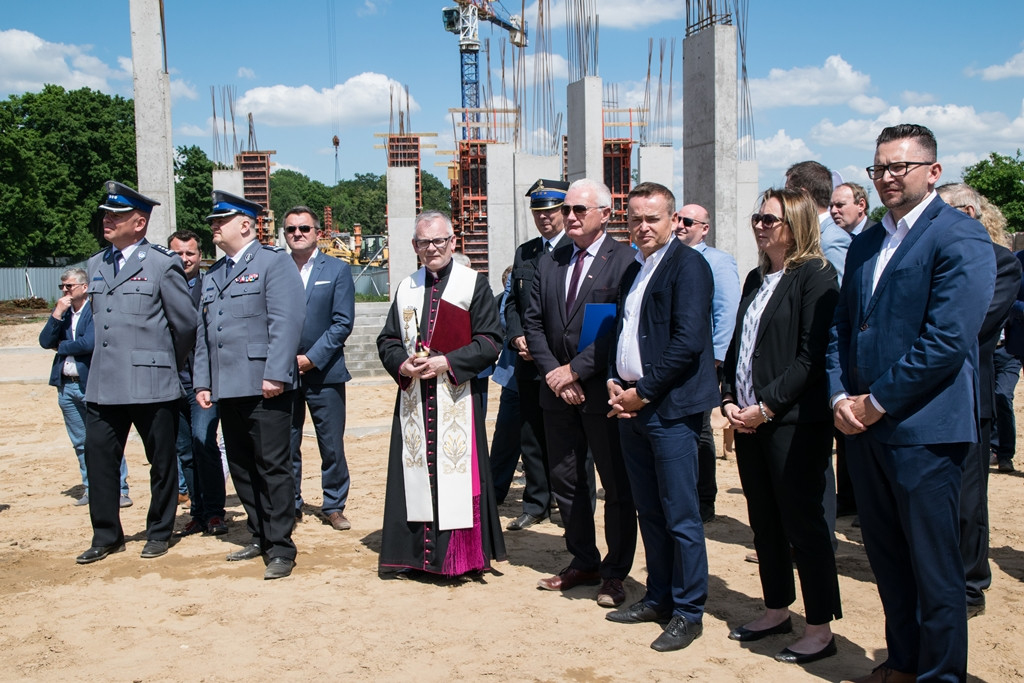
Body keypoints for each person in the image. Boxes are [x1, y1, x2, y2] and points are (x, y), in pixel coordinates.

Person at [828, 124, 996, 682]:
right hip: (863, 429)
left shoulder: (958, 237)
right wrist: (838, 396)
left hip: (925, 431)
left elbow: (948, 340)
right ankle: (903, 662)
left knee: (935, 570)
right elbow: (843, 328)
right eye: (880, 167)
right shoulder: (870, 240)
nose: (888, 177)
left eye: (900, 166)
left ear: (933, 171)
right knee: (889, 563)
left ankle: (940, 675)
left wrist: (877, 400)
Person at [721, 188, 841, 664]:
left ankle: (820, 628)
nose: (760, 226)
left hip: (792, 422)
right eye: (757, 218)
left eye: (770, 219)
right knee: (764, 521)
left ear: (796, 223)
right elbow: (739, 347)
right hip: (749, 420)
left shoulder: (816, 275)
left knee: (803, 525)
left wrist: (766, 406)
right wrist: (729, 396)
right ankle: (776, 609)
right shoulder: (757, 276)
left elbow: (812, 356)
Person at [604, 182, 719, 652]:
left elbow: (687, 341)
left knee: (681, 515)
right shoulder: (637, 268)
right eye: (635, 218)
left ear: (674, 221)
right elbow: (626, 333)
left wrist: (642, 393)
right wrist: (615, 378)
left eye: (653, 218)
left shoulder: (689, 266)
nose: (642, 226)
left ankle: (689, 611)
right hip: (633, 407)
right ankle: (658, 597)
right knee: (648, 509)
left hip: (668, 410)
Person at [523, 178, 637, 608]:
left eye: (579, 211)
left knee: (616, 487)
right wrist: (555, 374)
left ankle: (614, 573)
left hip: (602, 393)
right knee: (566, 481)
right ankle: (583, 560)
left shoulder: (623, 260)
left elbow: (620, 328)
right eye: (567, 210)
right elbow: (533, 323)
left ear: (605, 214)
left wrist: (576, 371)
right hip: (556, 393)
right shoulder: (551, 259)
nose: (569, 217)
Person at [376, 210, 505, 578]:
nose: (431, 248)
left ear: (452, 241)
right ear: (414, 246)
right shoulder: (407, 287)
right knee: (413, 472)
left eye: (438, 241)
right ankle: (412, 557)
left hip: (456, 398)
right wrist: (402, 363)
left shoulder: (473, 284)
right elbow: (386, 339)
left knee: (456, 476)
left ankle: (457, 559)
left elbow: (490, 340)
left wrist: (446, 362)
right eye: (423, 242)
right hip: (415, 399)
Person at [76, 181, 196, 565]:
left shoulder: (162, 264)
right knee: (99, 460)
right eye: (106, 214)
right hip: (104, 383)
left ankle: (160, 530)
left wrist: (164, 362)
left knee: (161, 461)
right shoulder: (96, 264)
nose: (106, 221)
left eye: (116, 215)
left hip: (152, 382)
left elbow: (187, 325)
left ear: (139, 222)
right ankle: (106, 534)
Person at [193, 190, 306, 580]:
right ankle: (259, 534)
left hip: (265, 385)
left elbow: (286, 322)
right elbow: (206, 334)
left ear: (245, 224)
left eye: (219, 222)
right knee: (241, 466)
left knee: (272, 466)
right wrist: (203, 381)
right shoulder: (215, 273)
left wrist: (275, 373)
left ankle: (280, 547)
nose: (213, 228)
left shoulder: (273, 264)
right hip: (227, 387)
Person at [936, 182, 1020, 620]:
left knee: (969, 501)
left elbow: (974, 326)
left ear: (968, 212)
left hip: (970, 396)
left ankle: (970, 586)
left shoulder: (1001, 262)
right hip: (927, 397)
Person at [498, 178, 568, 531]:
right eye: (538, 211)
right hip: (527, 364)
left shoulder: (576, 249)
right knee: (531, 436)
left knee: (571, 440)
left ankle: (570, 506)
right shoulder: (525, 252)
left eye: (551, 211)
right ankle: (536, 502)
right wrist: (516, 337)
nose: (544, 218)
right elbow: (512, 303)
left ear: (564, 211)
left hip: (564, 365)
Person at [283, 206, 356, 531]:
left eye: (304, 228)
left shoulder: (337, 269)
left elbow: (342, 322)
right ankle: (290, 504)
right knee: (285, 443)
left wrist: (311, 358)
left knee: (331, 444)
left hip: (324, 373)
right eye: (291, 230)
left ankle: (334, 505)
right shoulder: (276, 268)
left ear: (317, 232)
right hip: (282, 373)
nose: (297, 234)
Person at [39, 267, 131, 509]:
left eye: (69, 286)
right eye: (63, 287)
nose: (65, 291)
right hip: (66, 386)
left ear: (84, 287)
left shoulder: (94, 311)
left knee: (105, 440)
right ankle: (91, 488)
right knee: (80, 442)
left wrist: (63, 347)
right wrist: (57, 313)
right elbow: (45, 341)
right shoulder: (64, 314)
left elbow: (90, 343)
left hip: (90, 384)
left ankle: (119, 490)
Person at [673, 203, 741, 523]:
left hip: (703, 361)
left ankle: (704, 500)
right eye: (678, 219)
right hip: (673, 360)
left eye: (688, 221)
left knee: (700, 430)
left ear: (704, 228)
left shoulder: (718, 261)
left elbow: (726, 312)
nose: (681, 225)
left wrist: (715, 358)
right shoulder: (668, 258)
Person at [168, 229, 227, 538]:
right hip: (169, 382)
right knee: (185, 450)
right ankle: (198, 512)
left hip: (201, 382)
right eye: (178, 253)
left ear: (199, 256)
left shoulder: (209, 287)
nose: (184, 258)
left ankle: (216, 512)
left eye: (190, 253)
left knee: (204, 443)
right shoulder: (159, 287)